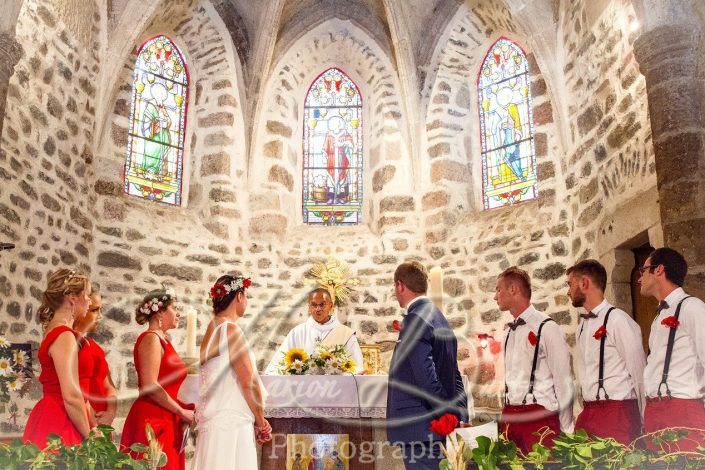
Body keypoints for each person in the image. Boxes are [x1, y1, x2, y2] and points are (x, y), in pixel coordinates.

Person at [386, 261, 468, 469]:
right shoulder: (440, 318)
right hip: (435, 427)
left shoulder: (415, 319)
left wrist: (447, 415)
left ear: (400, 285)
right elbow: (454, 374)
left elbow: (426, 378)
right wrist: (459, 413)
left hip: (421, 428)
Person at [193, 275, 271, 469]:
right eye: (246, 295)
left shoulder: (212, 329)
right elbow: (248, 382)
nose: (247, 301)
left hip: (213, 426)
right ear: (238, 296)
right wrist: (261, 422)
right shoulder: (230, 330)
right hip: (231, 427)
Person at [566, 260, 645, 445]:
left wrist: (644, 419)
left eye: (570, 284)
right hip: (589, 414)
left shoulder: (619, 320)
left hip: (619, 413)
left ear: (584, 283)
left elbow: (639, 372)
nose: (568, 292)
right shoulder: (582, 327)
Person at [496, 266, 573, 454]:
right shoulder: (507, 331)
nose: (495, 296)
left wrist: (566, 431)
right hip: (510, 420)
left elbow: (563, 381)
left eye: (498, 289)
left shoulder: (547, 327)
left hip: (539, 421)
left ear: (513, 289)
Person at [121, 289, 195, 470]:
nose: (178, 314)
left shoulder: (164, 341)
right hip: (152, 418)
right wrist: (181, 411)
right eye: (174, 308)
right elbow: (150, 385)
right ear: (160, 312)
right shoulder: (151, 339)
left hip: (167, 417)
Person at [639, 247, 705, 451]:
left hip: (682, 409)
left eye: (643, 271)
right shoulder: (659, 316)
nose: (639, 278)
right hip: (656, 412)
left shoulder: (692, 307)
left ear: (659, 270)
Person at [23, 268, 94, 447]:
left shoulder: (59, 331)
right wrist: (90, 438)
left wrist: (92, 424)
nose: (89, 301)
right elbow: (71, 396)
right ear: (72, 297)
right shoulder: (63, 335)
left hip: (63, 414)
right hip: (61, 420)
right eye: (87, 294)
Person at [265, 288, 363, 374]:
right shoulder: (297, 332)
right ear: (309, 307)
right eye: (314, 305)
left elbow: (355, 366)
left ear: (331, 306)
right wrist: (269, 374)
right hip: (305, 389)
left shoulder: (345, 333)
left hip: (336, 388)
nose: (318, 309)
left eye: (322, 304)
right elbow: (280, 363)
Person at [73, 291, 118, 426]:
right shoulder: (69, 343)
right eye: (94, 310)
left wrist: (110, 413)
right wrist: (94, 424)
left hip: (102, 421)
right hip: (83, 419)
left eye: (100, 310)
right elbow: (76, 393)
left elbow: (109, 386)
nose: (100, 316)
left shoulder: (95, 347)